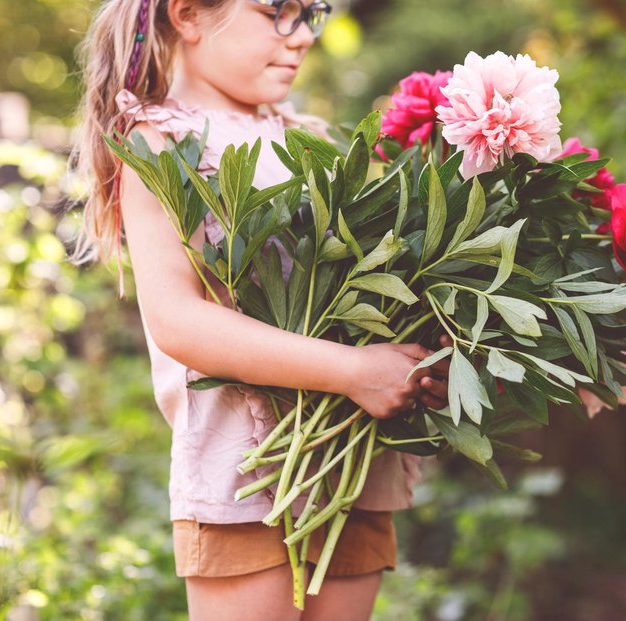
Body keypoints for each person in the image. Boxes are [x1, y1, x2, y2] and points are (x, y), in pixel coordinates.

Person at [67, 0, 451, 619]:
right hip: (241, 472)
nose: (300, 37)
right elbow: (179, 321)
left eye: (311, 13)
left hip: (351, 462)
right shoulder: (160, 140)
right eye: (278, 11)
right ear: (189, 16)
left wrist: (417, 356)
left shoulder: (317, 140)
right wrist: (354, 371)